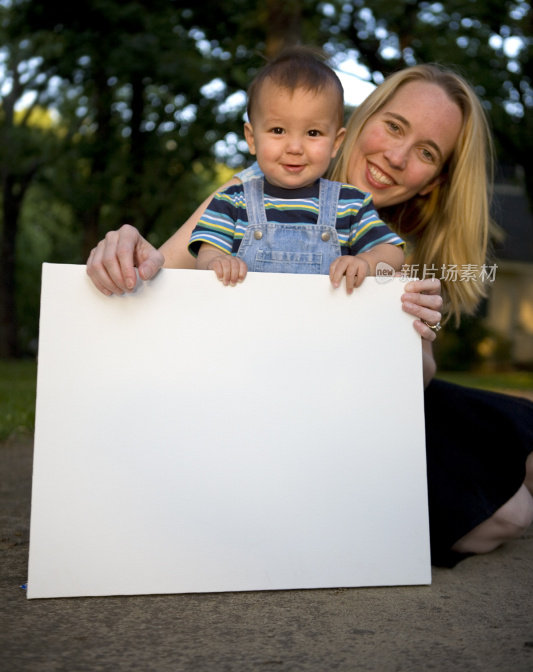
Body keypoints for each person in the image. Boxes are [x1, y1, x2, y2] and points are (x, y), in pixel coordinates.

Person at [86, 59, 533, 567]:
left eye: (426, 152)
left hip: (370, 406)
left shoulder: (394, 239)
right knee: (507, 515)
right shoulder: (253, 194)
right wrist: (124, 247)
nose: (397, 156)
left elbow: (417, 385)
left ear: (435, 180)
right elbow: (158, 273)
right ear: (360, 122)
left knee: (516, 439)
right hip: (274, 410)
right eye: (394, 126)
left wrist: (415, 337)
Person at [189, 49, 404, 289]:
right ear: (251, 139)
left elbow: (392, 252)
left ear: (335, 143)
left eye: (313, 133)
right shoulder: (231, 203)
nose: (294, 147)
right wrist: (217, 263)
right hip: (249, 321)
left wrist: (366, 262)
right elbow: (206, 254)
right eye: (278, 130)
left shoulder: (350, 204)